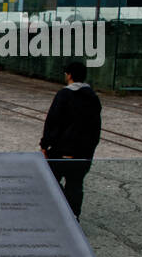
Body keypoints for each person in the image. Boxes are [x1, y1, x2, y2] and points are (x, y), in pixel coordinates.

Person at [40, 60, 102, 221]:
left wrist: (44, 145)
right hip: (83, 152)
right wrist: (90, 149)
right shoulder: (93, 98)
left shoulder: (64, 95)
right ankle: (73, 215)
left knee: (50, 180)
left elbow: (52, 122)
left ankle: (60, 210)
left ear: (69, 75)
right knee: (75, 184)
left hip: (61, 151)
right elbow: (95, 128)